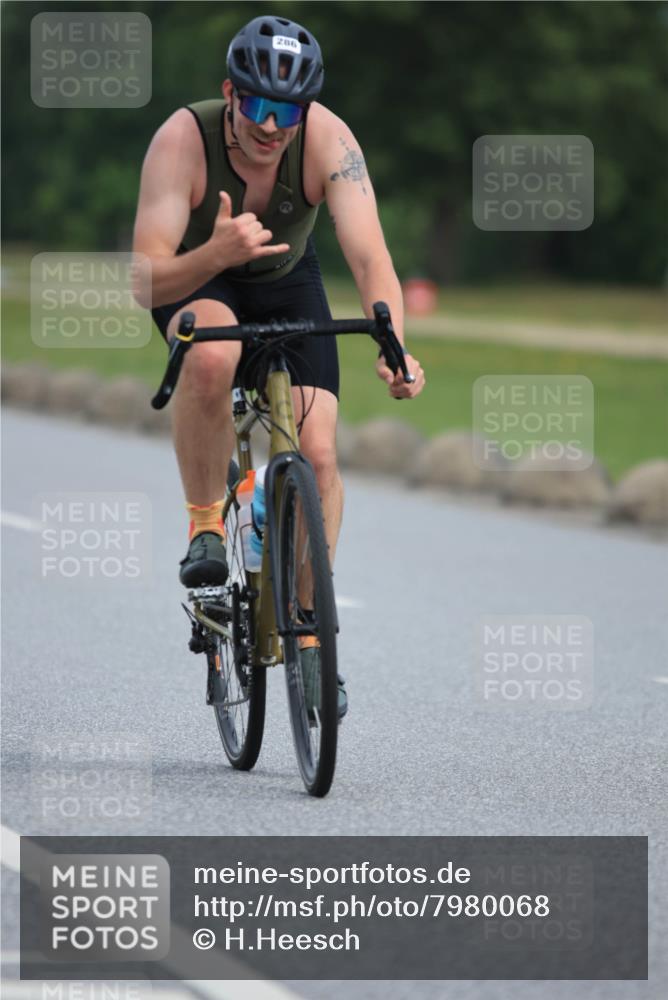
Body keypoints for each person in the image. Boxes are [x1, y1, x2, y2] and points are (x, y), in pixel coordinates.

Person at [132, 14, 426, 719]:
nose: (272, 126)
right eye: (258, 106)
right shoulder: (183, 141)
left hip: (290, 279)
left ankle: (309, 637)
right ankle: (207, 525)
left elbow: (368, 256)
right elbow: (147, 280)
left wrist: (396, 346)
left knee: (319, 456)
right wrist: (218, 253)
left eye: (287, 110)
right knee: (216, 350)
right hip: (198, 279)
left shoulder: (329, 140)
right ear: (230, 94)